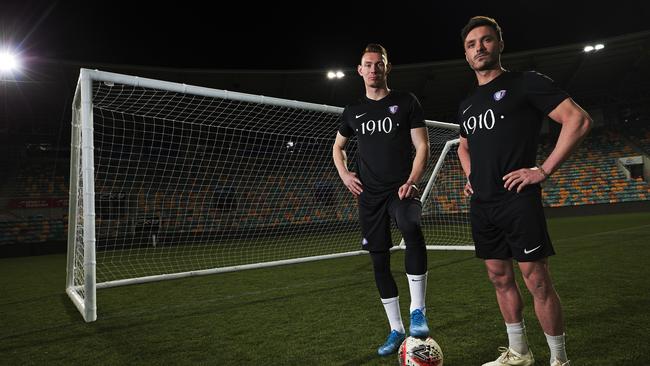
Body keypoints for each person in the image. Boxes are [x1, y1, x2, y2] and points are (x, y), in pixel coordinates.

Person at [457, 16, 592, 366]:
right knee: (499, 278)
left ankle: (559, 360)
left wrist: (542, 170)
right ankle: (519, 352)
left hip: (518, 200)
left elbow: (578, 120)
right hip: (483, 205)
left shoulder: (525, 83)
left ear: (500, 44)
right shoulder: (468, 102)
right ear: (466, 54)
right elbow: (463, 146)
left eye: (486, 40)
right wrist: (472, 176)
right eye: (472, 44)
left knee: (537, 280)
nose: (479, 48)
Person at [332, 43, 431, 356]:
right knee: (379, 261)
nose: (374, 69)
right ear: (360, 70)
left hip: (401, 187)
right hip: (369, 196)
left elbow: (422, 146)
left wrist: (413, 181)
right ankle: (396, 329)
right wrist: (345, 174)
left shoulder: (406, 102)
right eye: (368, 64)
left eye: (379, 64)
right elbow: (338, 147)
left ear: (387, 68)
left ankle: (418, 312)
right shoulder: (353, 111)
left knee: (410, 224)